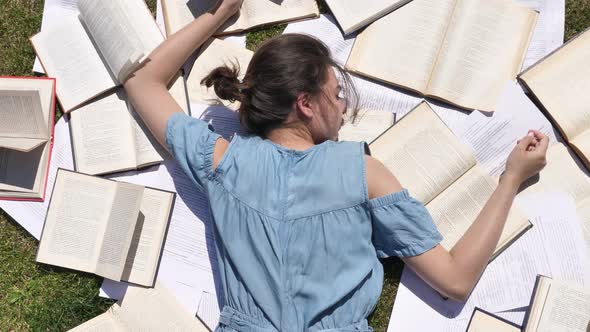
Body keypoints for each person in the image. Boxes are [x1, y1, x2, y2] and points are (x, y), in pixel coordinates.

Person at [123, 1, 549, 330]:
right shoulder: (364, 173)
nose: (344, 105)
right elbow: (455, 280)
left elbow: (142, 80)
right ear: (305, 104)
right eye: (335, 92)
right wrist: (510, 178)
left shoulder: (223, 161)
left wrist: (222, 12)